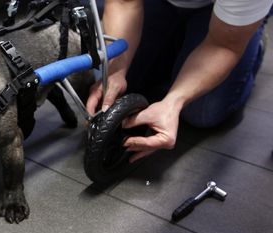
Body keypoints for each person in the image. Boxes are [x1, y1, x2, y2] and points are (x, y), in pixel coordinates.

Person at [86, 0, 273, 163]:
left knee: (203, 110)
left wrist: (173, 102)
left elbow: (224, 45)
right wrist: (116, 70)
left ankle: (253, 40)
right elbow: (123, 2)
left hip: (227, 25)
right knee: (111, 79)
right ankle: (182, 42)